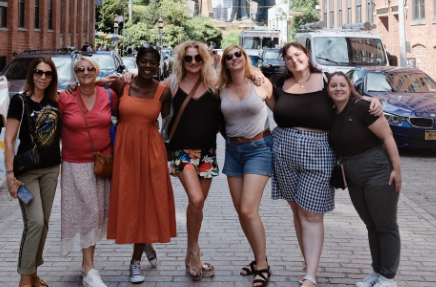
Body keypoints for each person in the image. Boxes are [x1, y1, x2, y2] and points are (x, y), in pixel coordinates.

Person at [271, 42, 382, 287]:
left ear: (307, 56)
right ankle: (308, 263)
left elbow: (349, 97)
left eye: (297, 55)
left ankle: (311, 274)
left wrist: (372, 101)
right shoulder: (280, 85)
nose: (294, 60)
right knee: (298, 212)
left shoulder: (325, 80)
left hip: (320, 152)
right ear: (285, 63)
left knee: (311, 214)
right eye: (288, 58)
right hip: (284, 151)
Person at [105, 45, 175, 284]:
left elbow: (165, 125)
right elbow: (92, 84)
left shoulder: (163, 92)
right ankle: (145, 242)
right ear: (137, 62)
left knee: (146, 202)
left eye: (152, 62)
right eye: (144, 61)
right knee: (130, 201)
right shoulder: (121, 85)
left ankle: (135, 261)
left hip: (151, 151)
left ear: (158, 65)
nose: (148, 66)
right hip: (125, 152)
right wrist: (76, 85)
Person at [326, 72, 402, 287]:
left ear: (350, 87)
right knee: (371, 224)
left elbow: (387, 136)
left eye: (343, 84)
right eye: (333, 85)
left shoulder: (360, 108)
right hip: (352, 173)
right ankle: (377, 272)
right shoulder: (332, 112)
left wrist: (396, 169)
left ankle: (388, 277)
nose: (338, 88)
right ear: (328, 90)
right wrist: (371, 98)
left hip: (376, 169)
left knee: (385, 225)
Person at [162, 41, 224, 281]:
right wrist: (123, 79)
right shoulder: (172, 84)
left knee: (197, 205)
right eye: (188, 58)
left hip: (208, 152)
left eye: (198, 58)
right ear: (181, 60)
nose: (194, 62)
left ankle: (191, 252)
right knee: (195, 198)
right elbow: (144, 92)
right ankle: (195, 252)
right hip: (181, 151)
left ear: (205, 59)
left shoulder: (214, 83)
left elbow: (241, 84)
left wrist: (258, 76)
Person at [217, 44, 276, 287]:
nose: (234, 58)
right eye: (228, 56)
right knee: (242, 211)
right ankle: (258, 258)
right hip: (233, 151)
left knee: (248, 209)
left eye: (238, 54)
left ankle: (262, 266)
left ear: (245, 56)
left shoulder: (261, 83)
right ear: (225, 63)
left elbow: (281, 112)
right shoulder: (220, 88)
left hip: (260, 149)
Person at [3, 57, 61, 287]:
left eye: (48, 74)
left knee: (44, 222)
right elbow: (8, 141)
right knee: (34, 222)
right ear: (32, 74)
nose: (42, 77)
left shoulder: (55, 101)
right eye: (38, 72)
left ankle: (34, 274)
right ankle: (24, 280)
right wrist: (10, 176)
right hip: (26, 172)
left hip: (51, 170)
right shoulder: (19, 101)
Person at [59, 55, 113, 287]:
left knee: (102, 211)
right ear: (75, 74)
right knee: (90, 210)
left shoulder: (109, 95)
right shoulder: (66, 97)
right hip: (75, 163)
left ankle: (142, 243)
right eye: (80, 69)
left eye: (90, 68)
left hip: (103, 164)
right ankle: (88, 268)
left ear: (97, 71)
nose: (85, 72)